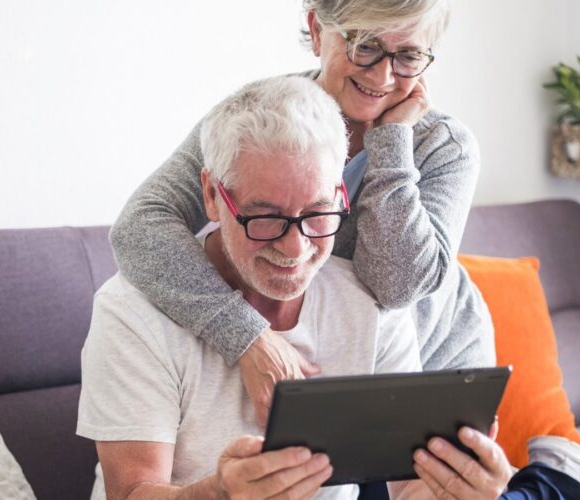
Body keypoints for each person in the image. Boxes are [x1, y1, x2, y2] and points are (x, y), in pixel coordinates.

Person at [78, 76, 516, 500]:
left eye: (318, 212)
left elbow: (408, 487)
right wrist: (217, 494)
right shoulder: (131, 312)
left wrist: (457, 491)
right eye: (265, 216)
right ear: (212, 195)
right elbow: (130, 492)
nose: (295, 247)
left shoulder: (369, 305)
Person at [110, 0, 494, 428]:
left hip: (431, 372)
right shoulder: (258, 118)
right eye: (364, 45)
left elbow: (395, 286)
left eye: (407, 56)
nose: (382, 76)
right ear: (316, 30)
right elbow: (139, 225)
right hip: (320, 373)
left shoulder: (444, 146)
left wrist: (391, 139)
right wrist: (247, 335)